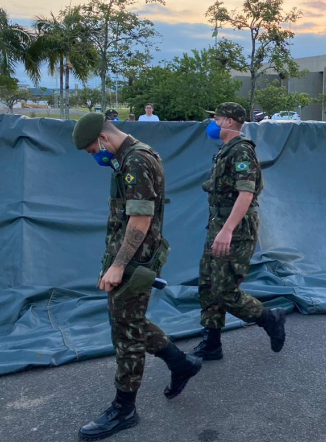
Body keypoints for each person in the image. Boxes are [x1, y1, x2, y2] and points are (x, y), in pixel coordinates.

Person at [72, 113, 202, 441]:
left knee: (125, 331)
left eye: (92, 150)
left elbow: (140, 220)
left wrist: (118, 266)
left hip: (134, 262)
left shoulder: (137, 161)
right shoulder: (128, 158)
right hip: (127, 258)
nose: (94, 157)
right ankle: (180, 363)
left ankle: (125, 408)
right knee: (129, 321)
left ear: (103, 139)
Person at [192, 102, 286, 361]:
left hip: (235, 229)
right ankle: (211, 343)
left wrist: (227, 230)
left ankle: (270, 319)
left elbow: (246, 194)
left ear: (230, 121)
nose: (213, 124)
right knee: (208, 285)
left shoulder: (242, 151)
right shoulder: (225, 150)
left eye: (217, 118)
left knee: (225, 291)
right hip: (218, 224)